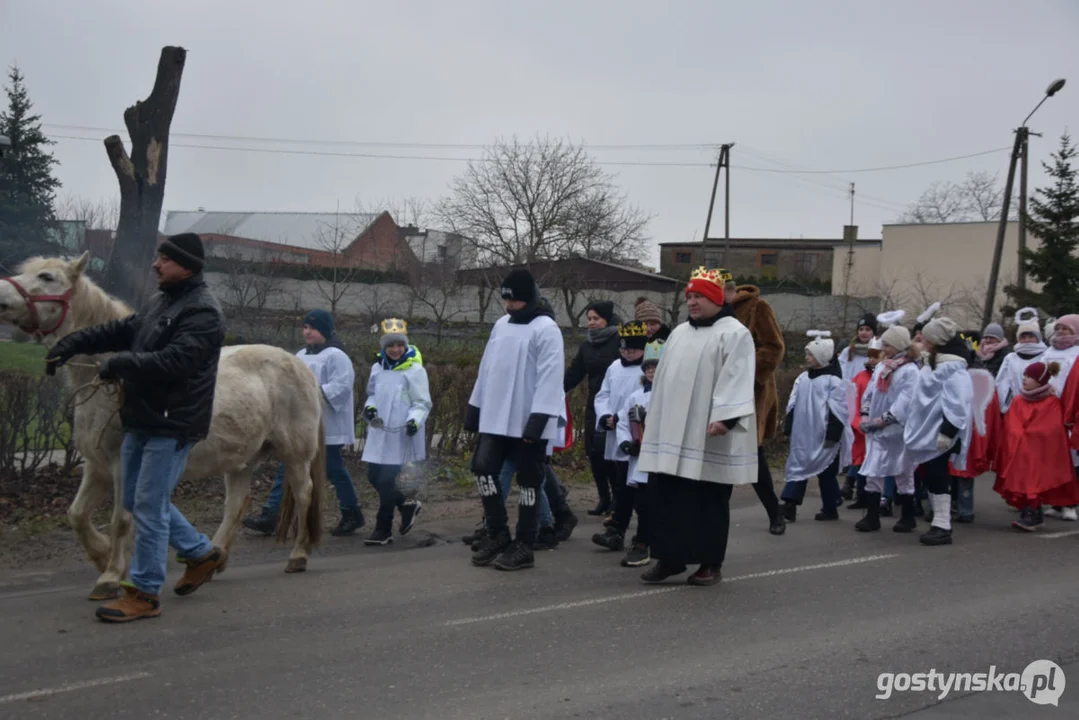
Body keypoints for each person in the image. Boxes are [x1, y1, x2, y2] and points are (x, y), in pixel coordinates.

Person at [45, 233, 226, 622]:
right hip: (142, 418)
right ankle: (200, 552)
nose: (155, 264)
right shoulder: (164, 300)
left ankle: (145, 593)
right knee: (135, 500)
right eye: (157, 256)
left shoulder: (203, 312)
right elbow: (123, 329)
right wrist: (72, 343)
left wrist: (119, 364)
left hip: (172, 422)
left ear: (187, 266)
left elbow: (177, 362)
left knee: (147, 507)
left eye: (164, 259)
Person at [637, 267, 758, 587]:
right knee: (667, 495)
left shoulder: (734, 333)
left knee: (706, 499)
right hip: (672, 431)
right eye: (689, 296)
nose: (692, 302)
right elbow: (663, 380)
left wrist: (727, 418)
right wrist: (654, 415)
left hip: (708, 432)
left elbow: (738, 377)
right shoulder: (678, 333)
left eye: (699, 296)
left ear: (717, 298)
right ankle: (670, 557)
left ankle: (709, 563)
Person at [466, 269, 565, 571]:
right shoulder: (501, 325)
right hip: (496, 417)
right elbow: (487, 367)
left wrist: (538, 419)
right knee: (483, 469)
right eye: (506, 301)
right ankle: (497, 533)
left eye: (515, 302)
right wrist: (475, 406)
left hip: (528, 418)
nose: (509, 307)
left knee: (529, 481)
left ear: (530, 298)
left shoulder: (546, 329)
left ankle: (525, 543)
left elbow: (551, 375)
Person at [242, 309, 366, 538]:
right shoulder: (300, 355)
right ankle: (272, 515)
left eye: (313, 328)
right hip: (299, 426)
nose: (307, 332)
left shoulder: (336, 356)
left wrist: (306, 395)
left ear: (325, 331)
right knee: (286, 467)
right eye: (305, 327)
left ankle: (352, 512)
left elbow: (341, 388)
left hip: (326, 426)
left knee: (333, 469)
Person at [902, 317, 974, 547]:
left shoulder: (952, 368)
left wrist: (947, 432)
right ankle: (939, 521)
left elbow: (958, 404)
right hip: (928, 432)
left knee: (938, 475)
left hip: (941, 433)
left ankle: (942, 524)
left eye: (926, 338)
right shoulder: (934, 364)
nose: (921, 341)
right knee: (930, 475)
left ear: (936, 341)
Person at [724, 277, 787, 535]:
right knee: (721, 458)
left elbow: (775, 347)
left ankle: (775, 513)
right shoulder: (712, 315)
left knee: (753, 459)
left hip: (751, 392)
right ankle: (715, 519)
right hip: (721, 393)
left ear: (729, 291)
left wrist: (745, 370)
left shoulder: (757, 307)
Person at [360, 318, 429, 545]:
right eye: (390, 345)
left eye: (400, 344)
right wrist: (369, 408)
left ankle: (383, 529)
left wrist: (414, 421)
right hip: (380, 432)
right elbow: (371, 394)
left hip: (401, 435)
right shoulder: (377, 368)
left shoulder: (415, 371)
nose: (395, 349)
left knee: (388, 481)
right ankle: (406, 505)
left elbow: (422, 403)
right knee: (373, 476)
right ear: (383, 346)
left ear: (406, 345)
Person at [994, 362, 1079, 530]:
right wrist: (1017, 434)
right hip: (1020, 448)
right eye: (1024, 375)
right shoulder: (1019, 399)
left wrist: (1028, 435)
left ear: (1040, 381)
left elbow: (1051, 427)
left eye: (1029, 377)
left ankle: (1032, 511)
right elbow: (1012, 421)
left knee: (1034, 477)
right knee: (1024, 476)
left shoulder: (1052, 401)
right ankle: (1033, 511)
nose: (1024, 379)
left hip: (1040, 450)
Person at [591, 320, 650, 553]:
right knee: (622, 484)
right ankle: (617, 530)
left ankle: (633, 532)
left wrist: (619, 416)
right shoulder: (614, 367)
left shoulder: (647, 371)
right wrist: (605, 415)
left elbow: (640, 400)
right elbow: (603, 394)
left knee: (633, 489)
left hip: (638, 438)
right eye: (624, 349)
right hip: (617, 435)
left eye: (632, 349)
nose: (627, 353)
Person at [780, 332, 851, 523]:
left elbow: (839, 410)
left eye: (810, 354)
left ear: (821, 357)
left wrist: (833, 435)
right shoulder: (803, 378)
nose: (807, 357)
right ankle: (789, 505)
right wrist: (789, 426)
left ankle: (831, 506)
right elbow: (793, 403)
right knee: (798, 466)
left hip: (824, 434)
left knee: (826, 473)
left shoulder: (833, 382)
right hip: (803, 435)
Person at [855, 324, 919, 532]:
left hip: (897, 431)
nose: (885, 349)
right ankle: (872, 516)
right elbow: (870, 393)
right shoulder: (883, 367)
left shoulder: (910, 371)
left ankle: (907, 516)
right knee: (873, 470)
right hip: (876, 432)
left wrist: (883, 420)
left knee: (903, 471)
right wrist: (865, 415)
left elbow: (905, 401)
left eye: (889, 345)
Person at [564, 300, 622, 516]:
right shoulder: (587, 345)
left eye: (596, 318)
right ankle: (604, 498)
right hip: (593, 403)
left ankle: (618, 498)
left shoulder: (619, 340)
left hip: (615, 405)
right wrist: (557, 390)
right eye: (589, 319)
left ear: (606, 319)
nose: (591, 323)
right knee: (593, 451)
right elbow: (575, 372)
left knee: (612, 452)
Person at [611, 339, 663, 567]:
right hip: (639, 459)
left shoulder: (669, 395)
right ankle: (643, 541)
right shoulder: (635, 396)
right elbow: (623, 423)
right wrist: (625, 444)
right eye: (648, 368)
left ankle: (651, 541)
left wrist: (646, 420)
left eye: (656, 367)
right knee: (641, 502)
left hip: (660, 458)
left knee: (657, 502)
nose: (651, 371)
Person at [843, 336, 883, 508]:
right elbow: (852, 401)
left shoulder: (883, 376)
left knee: (874, 463)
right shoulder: (860, 377)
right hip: (860, 428)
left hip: (879, 427)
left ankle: (879, 499)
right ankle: (861, 496)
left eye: (876, 356)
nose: (872, 360)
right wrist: (857, 422)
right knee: (859, 461)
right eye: (871, 356)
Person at [996, 310, 1048, 414]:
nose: (1027, 340)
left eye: (1031, 336)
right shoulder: (1011, 358)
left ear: (1037, 338)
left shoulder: (1045, 357)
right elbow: (1002, 382)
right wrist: (1005, 405)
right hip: (1013, 407)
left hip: (1038, 407)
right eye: (1023, 337)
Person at [838, 313, 878, 382]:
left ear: (873, 332)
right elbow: (839, 372)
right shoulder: (848, 351)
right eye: (861, 329)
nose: (863, 332)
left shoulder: (876, 352)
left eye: (867, 330)